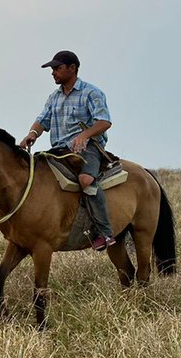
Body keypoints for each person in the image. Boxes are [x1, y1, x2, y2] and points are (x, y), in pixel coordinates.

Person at [17, 50, 116, 251]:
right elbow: (42, 121)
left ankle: (104, 232)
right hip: (58, 150)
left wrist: (84, 135)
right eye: (52, 69)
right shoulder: (54, 97)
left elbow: (104, 121)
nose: (53, 72)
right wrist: (32, 134)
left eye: (57, 68)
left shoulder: (91, 93)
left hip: (87, 148)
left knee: (85, 180)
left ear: (72, 68)